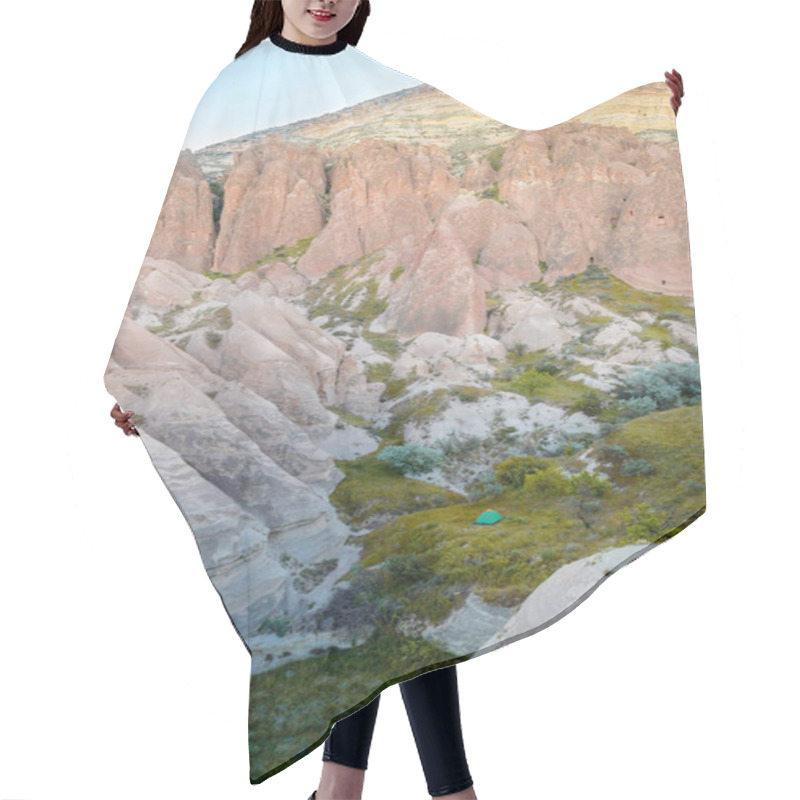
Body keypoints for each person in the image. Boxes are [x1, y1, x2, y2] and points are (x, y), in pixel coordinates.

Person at [109, 2, 685, 798]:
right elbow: (172, 265)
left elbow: (507, 145)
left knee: (383, 592)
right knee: (375, 595)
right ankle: (435, 792)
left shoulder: (379, 83)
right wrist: (145, 382)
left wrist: (644, 123)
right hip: (294, 384)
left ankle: (346, 789)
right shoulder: (233, 88)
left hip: (373, 380)